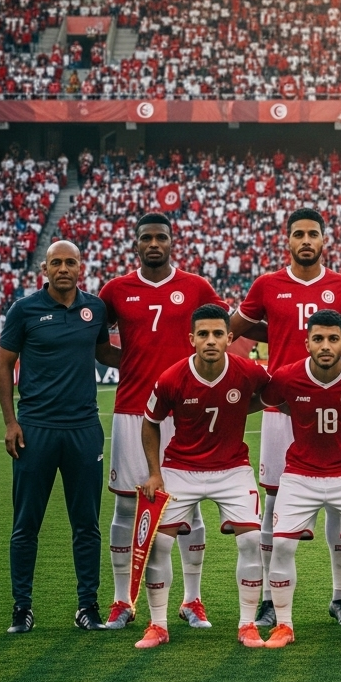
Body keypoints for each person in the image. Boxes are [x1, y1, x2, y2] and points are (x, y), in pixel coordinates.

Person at [230, 208, 341, 628]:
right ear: (286, 240)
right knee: (274, 500)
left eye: (313, 234)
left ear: (324, 240)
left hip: (334, 405)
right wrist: (274, 331)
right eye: (298, 234)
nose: (306, 241)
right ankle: (272, 598)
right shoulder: (267, 284)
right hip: (281, 406)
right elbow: (236, 326)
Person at [98, 213, 229, 631]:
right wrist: (136, 364)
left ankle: (192, 600)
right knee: (125, 505)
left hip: (186, 411)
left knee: (189, 507)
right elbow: (100, 347)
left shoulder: (197, 287)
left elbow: (221, 334)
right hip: (133, 411)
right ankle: (123, 600)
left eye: (161, 237)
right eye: (146, 238)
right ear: (135, 244)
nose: (153, 243)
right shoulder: (115, 290)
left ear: (173, 242)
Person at [0, 240, 117, 634]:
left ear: (80, 267)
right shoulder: (24, 310)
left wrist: (153, 354)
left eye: (70, 262)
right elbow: (4, 368)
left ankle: (88, 607)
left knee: (86, 525)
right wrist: (11, 422)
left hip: (84, 430)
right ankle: (22, 608)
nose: (63, 268)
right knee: (25, 524)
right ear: (44, 269)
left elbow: (105, 354)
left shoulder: (95, 308)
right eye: (56, 263)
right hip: (36, 431)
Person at [135, 305, 271, 650]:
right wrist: (154, 473)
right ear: (191, 338)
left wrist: (239, 406)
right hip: (181, 469)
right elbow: (150, 422)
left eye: (217, 334)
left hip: (233, 469)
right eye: (203, 334)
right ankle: (158, 625)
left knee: (251, 542)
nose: (210, 340)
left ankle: (247, 625)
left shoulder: (248, 371)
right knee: (160, 545)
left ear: (229, 337)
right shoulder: (171, 378)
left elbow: (270, 395)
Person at [259, 311, 341, 650]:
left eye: (333, 339)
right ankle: (284, 625)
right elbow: (270, 401)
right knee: (283, 544)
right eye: (318, 339)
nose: (326, 346)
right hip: (301, 474)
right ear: (307, 343)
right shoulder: (287, 377)